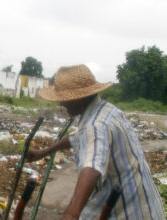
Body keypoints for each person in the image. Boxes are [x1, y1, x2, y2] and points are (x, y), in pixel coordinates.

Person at [27, 64, 165, 219]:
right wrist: (44, 151)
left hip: (129, 210)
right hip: (146, 204)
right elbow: (76, 137)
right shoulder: (107, 111)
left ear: (77, 98)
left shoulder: (95, 125)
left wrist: (72, 213)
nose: (61, 104)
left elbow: (91, 167)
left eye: (63, 99)